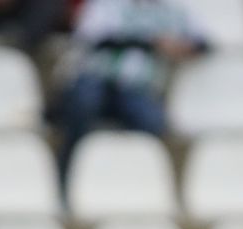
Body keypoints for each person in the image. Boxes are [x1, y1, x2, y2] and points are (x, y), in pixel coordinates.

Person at [56, 0, 206, 179]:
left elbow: (205, 42)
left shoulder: (173, 11)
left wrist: (183, 47)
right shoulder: (107, 5)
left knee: (152, 120)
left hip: (136, 89)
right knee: (84, 102)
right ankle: (68, 168)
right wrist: (151, 43)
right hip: (97, 80)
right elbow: (92, 37)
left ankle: (129, 176)